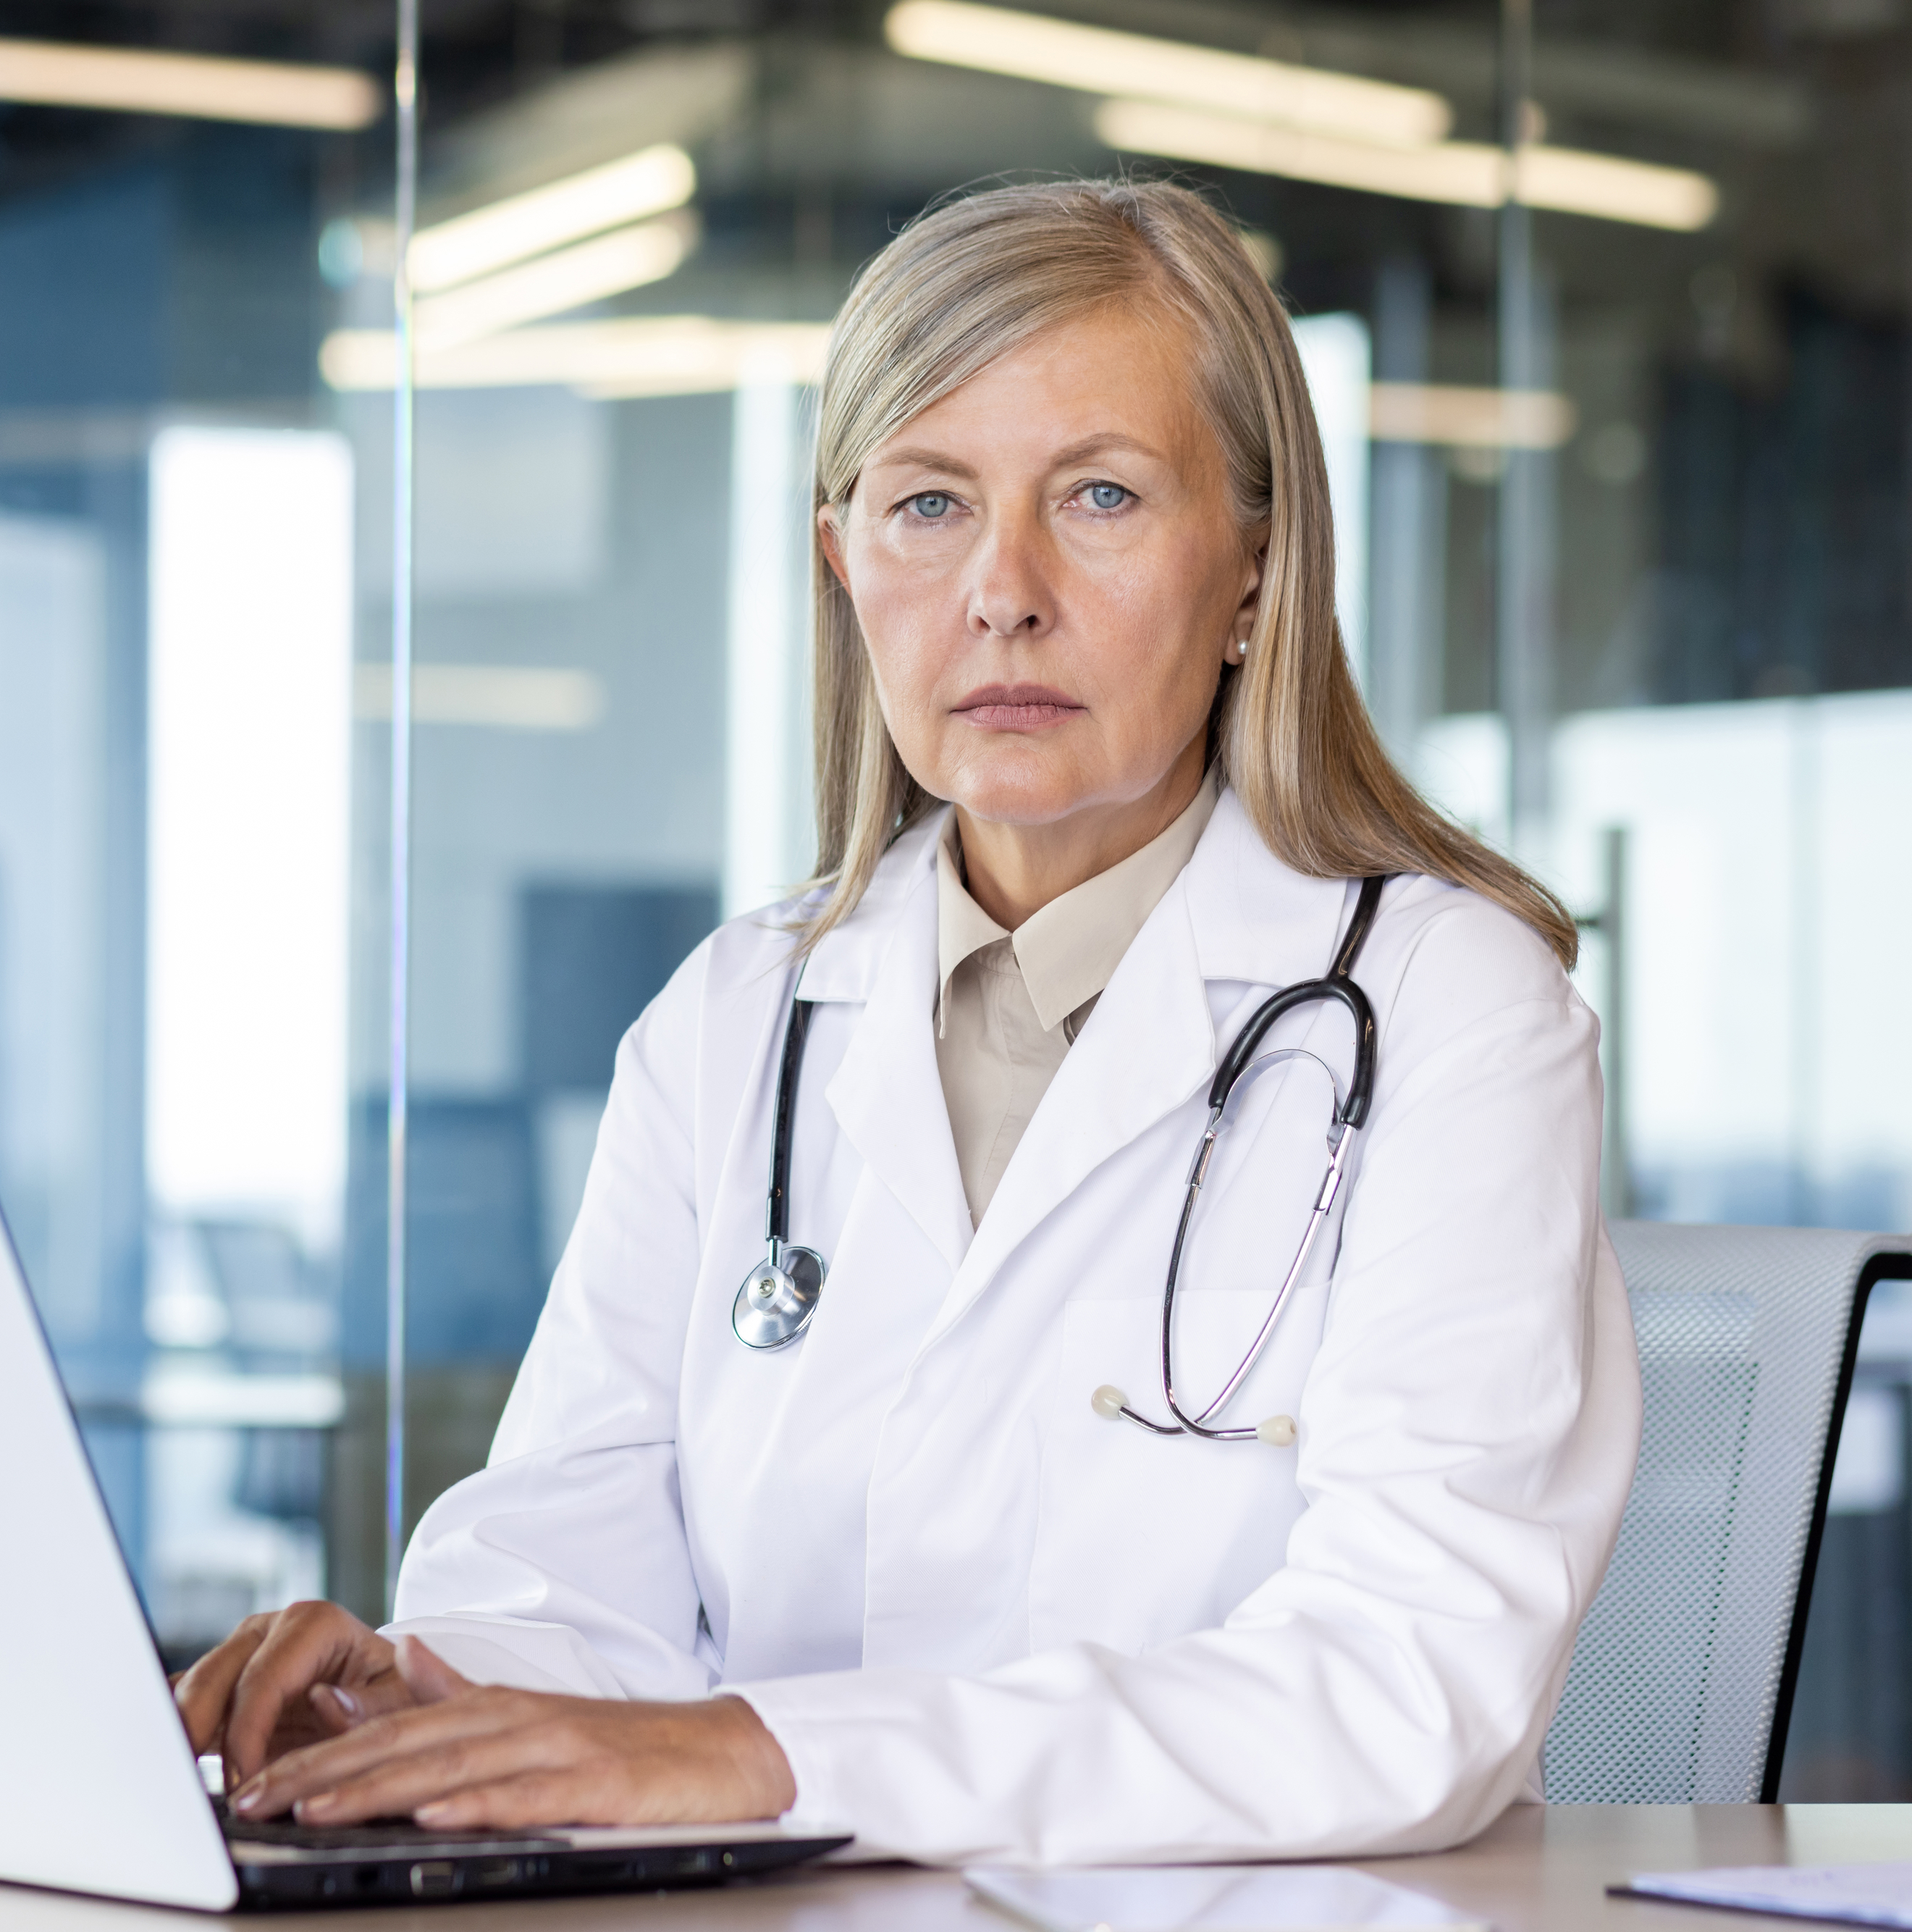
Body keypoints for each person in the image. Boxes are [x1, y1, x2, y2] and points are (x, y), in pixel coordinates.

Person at [174, 177, 1641, 1868]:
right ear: (840, 560)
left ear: (1252, 565)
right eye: (927, 503)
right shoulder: (740, 1018)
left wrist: (761, 1752)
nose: (1000, 591)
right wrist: (421, 1693)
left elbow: (1399, 1683)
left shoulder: (1445, 1010)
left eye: (1096, 495)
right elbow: (570, 1576)